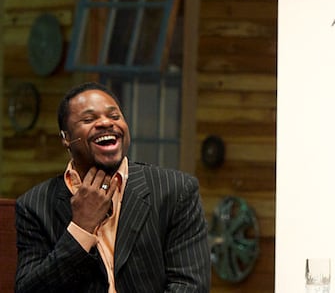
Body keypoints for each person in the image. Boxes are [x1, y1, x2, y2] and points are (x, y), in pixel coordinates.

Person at [15, 82, 211, 292]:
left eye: (115, 116)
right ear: (66, 138)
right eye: (89, 119)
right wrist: (81, 229)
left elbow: (190, 286)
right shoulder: (34, 206)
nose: (106, 123)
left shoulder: (176, 191)